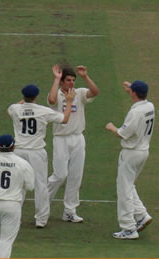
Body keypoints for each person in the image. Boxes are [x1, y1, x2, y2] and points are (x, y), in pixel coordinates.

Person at [7, 84, 75, 228]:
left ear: (23, 96)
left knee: (18, 185)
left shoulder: (14, 109)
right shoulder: (44, 111)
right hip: (36, 152)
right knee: (40, 185)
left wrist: (24, 102)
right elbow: (64, 119)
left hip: (18, 152)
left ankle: (15, 218)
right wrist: (69, 102)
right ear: (36, 96)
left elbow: (14, 108)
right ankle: (41, 219)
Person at [47, 64, 99, 222]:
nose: (71, 83)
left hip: (78, 138)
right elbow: (51, 100)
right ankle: (43, 204)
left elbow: (95, 92)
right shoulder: (57, 93)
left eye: (73, 80)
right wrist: (56, 79)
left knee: (76, 176)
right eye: (68, 80)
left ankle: (69, 211)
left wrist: (85, 77)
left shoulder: (80, 93)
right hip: (61, 138)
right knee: (60, 174)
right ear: (62, 82)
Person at [106, 80, 155, 240]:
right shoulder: (150, 106)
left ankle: (128, 228)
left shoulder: (135, 113)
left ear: (134, 93)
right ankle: (142, 215)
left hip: (131, 154)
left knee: (124, 190)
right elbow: (139, 103)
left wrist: (112, 127)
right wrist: (132, 90)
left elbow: (122, 133)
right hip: (143, 151)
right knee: (128, 185)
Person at [0, 134, 34, 258]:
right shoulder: (22, 163)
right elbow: (30, 186)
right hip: (12, 205)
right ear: (13, 147)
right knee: (5, 241)